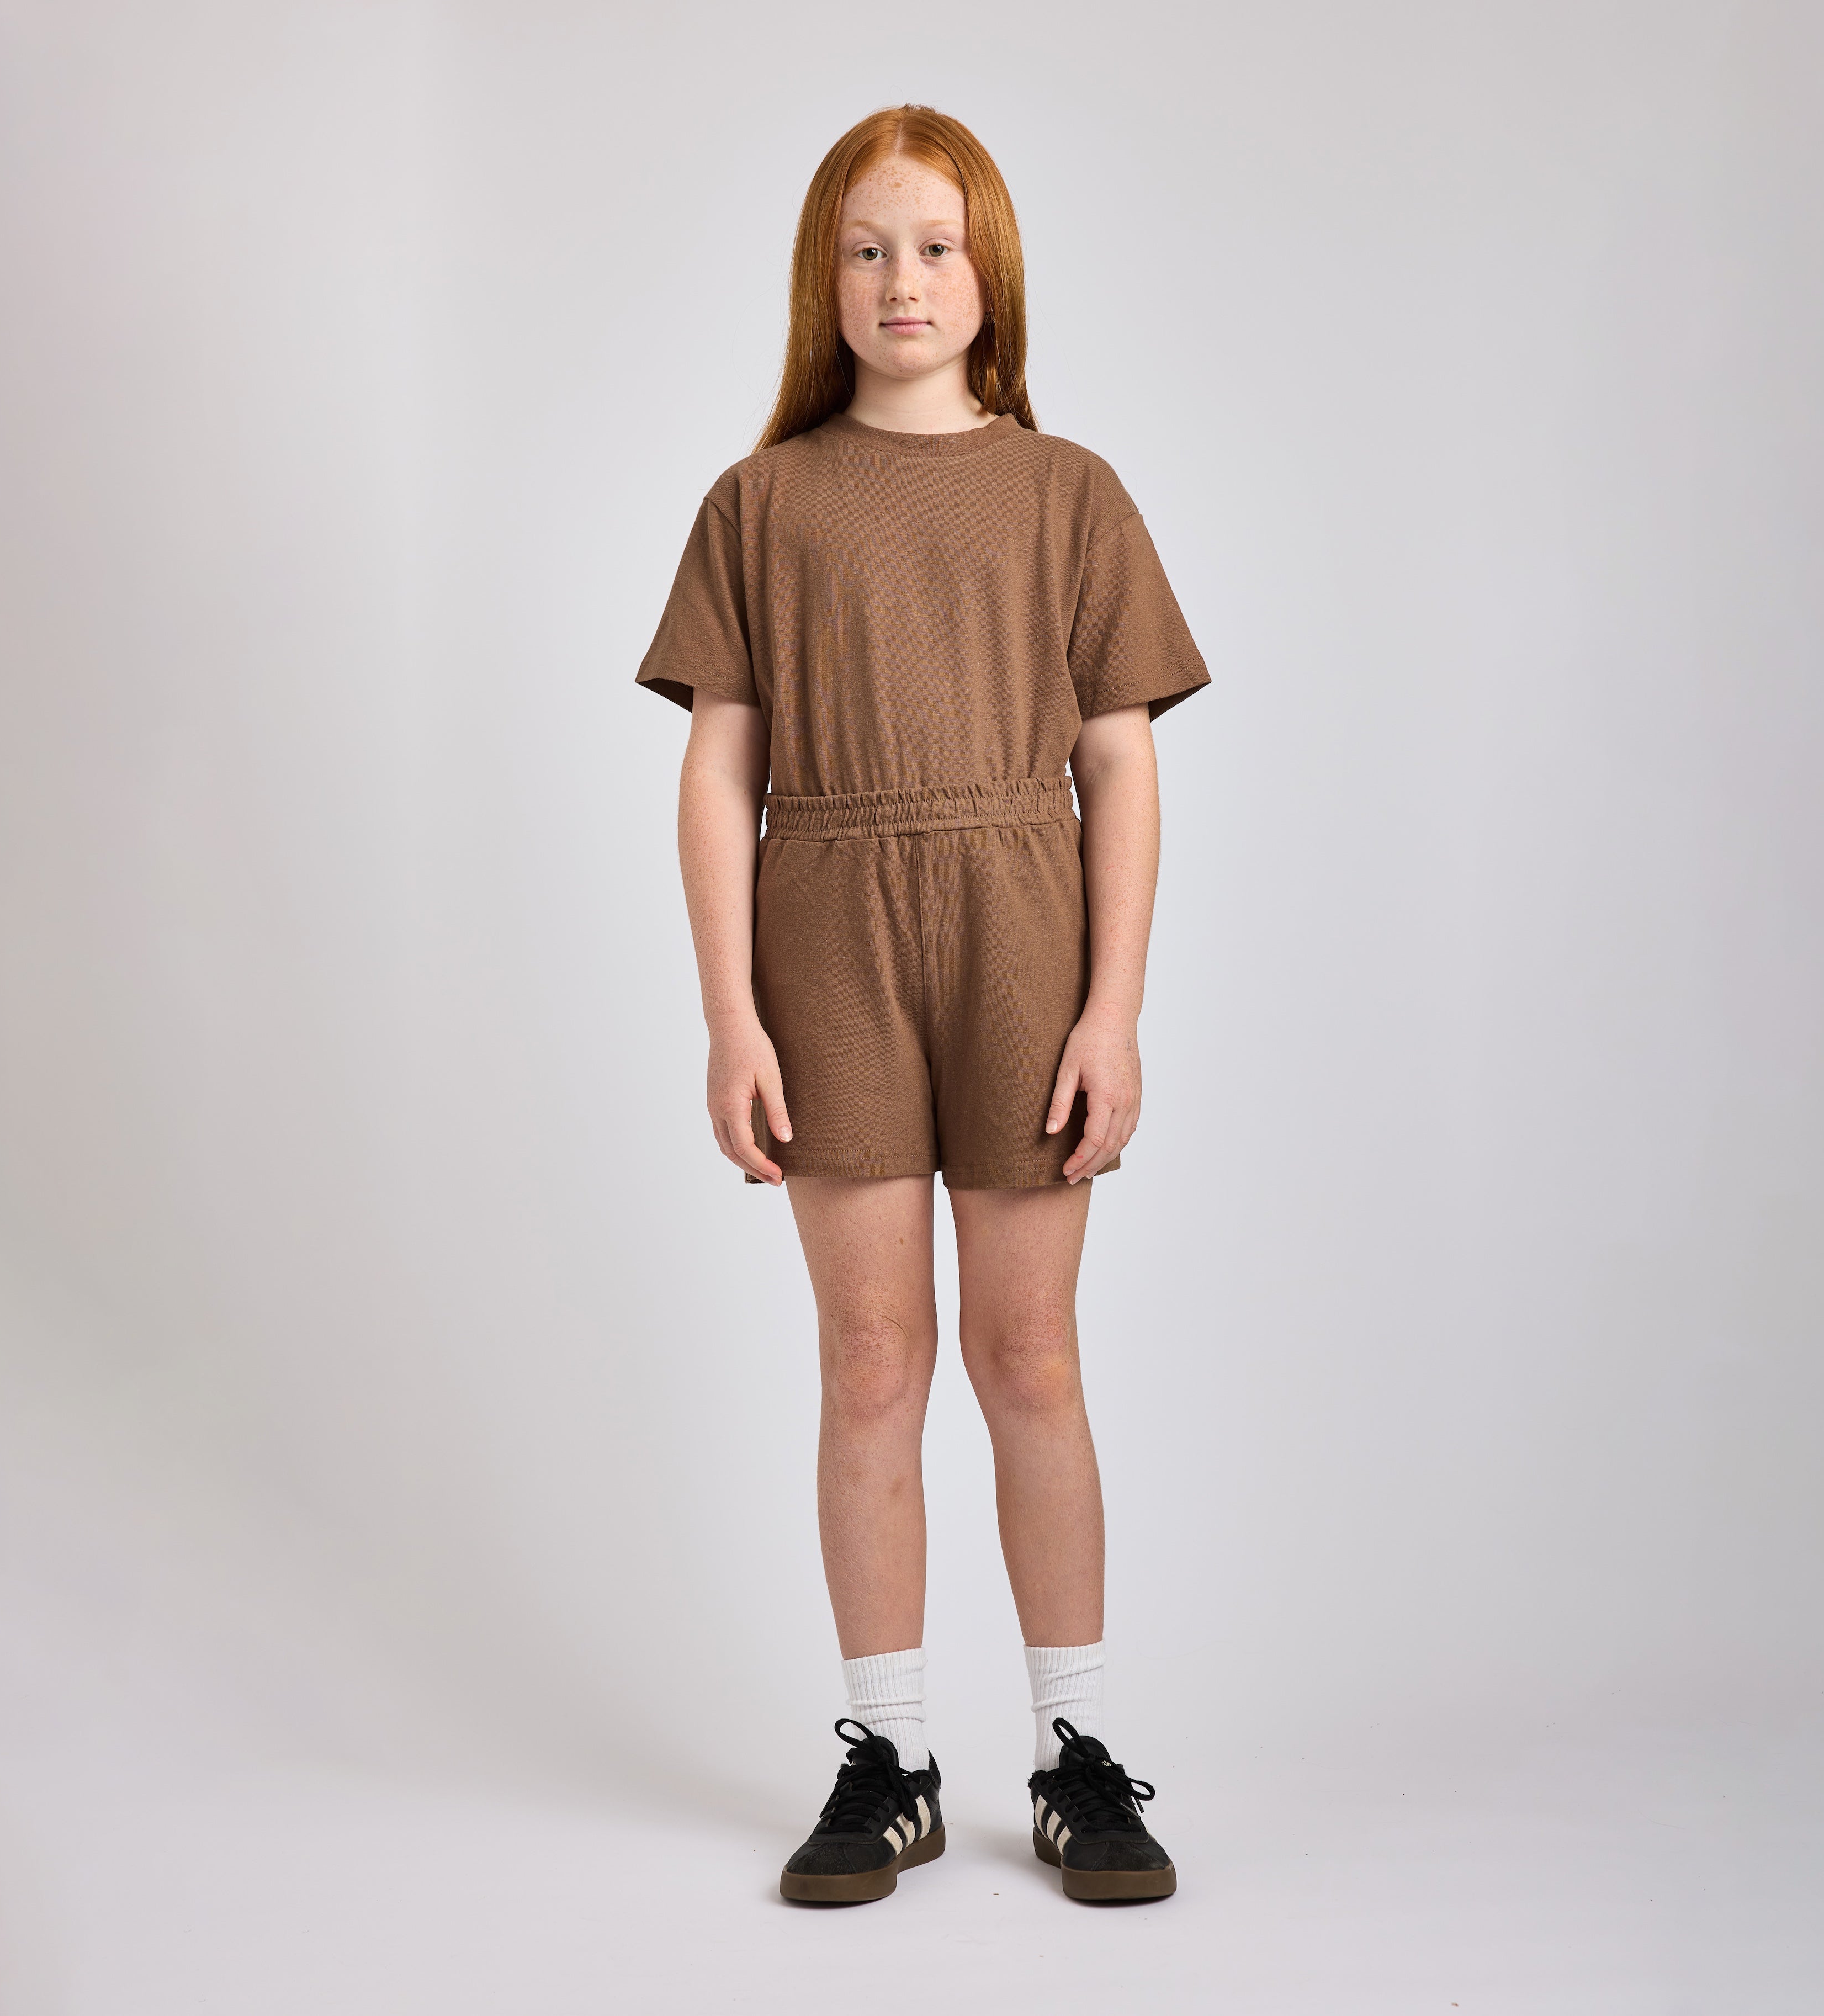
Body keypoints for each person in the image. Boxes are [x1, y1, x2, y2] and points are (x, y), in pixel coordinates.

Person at [635, 103, 1210, 1906]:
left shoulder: (1069, 493)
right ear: (825, 278)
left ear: (990, 273)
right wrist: (732, 1013)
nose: (903, 280)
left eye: (937, 246)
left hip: (1021, 926)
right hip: (829, 934)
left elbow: (1118, 765)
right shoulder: (759, 504)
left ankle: (1077, 1749)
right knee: (869, 1359)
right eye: (868, 248)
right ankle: (886, 1751)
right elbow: (718, 769)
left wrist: (1111, 1010)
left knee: (1029, 1354)